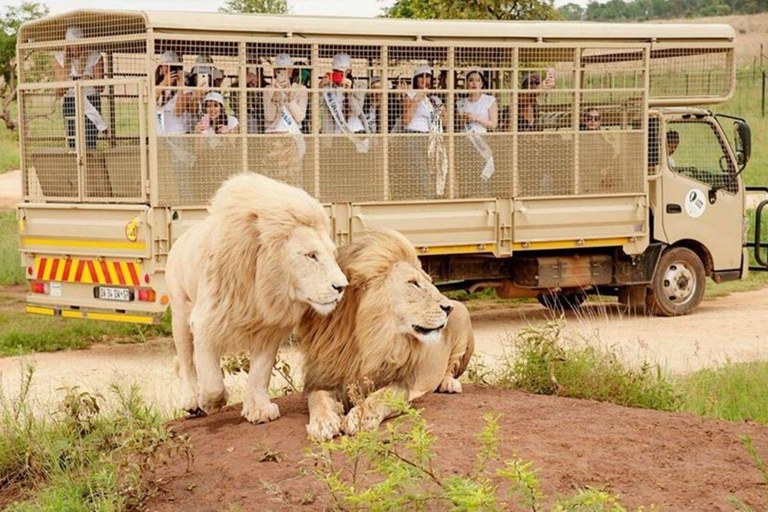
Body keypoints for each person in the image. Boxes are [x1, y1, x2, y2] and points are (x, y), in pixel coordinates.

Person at [395, 65, 448, 199]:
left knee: (432, 169)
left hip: (430, 138)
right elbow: (406, 120)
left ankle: (433, 195)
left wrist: (441, 114)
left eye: (428, 77)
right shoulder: (410, 94)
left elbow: (446, 122)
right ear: (416, 80)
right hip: (412, 136)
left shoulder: (433, 99)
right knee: (420, 169)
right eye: (422, 77)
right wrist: (415, 102)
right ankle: (429, 197)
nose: (425, 80)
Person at [53, 26, 107, 149]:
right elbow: (59, 90)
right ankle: (75, 163)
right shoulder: (59, 58)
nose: (74, 48)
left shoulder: (95, 56)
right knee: (73, 138)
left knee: (90, 138)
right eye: (71, 45)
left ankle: (91, 162)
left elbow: (100, 87)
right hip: (71, 100)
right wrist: (67, 73)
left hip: (90, 99)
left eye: (77, 45)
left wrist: (90, 80)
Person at [262, 53, 309, 186]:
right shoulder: (268, 89)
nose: (282, 73)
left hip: (292, 139)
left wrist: (289, 98)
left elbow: (300, 117)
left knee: (293, 180)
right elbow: (269, 117)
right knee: (272, 182)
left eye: (286, 70)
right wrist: (276, 96)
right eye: (279, 70)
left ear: (291, 70)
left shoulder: (300, 89)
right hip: (272, 139)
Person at [319, 53, 366, 136]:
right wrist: (319, 87)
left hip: (351, 131)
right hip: (331, 131)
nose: (338, 75)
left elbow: (357, 111)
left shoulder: (358, 86)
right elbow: (317, 105)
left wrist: (349, 93)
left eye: (341, 72)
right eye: (335, 72)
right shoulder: (327, 87)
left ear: (349, 71)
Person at [154, 51, 187, 136]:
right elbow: (150, 101)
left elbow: (179, 111)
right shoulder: (155, 86)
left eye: (172, 66)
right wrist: (163, 84)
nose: (168, 69)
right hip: (159, 133)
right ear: (160, 68)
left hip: (177, 134)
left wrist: (180, 87)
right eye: (165, 66)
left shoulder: (184, 89)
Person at [456, 68, 498, 133]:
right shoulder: (460, 102)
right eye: (471, 80)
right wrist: (463, 119)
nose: (474, 83)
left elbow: (493, 125)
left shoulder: (489, 100)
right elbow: (456, 125)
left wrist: (476, 119)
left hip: (482, 138)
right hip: (464, 139)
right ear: (466, 84)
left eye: (478, 80)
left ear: (481, 84)